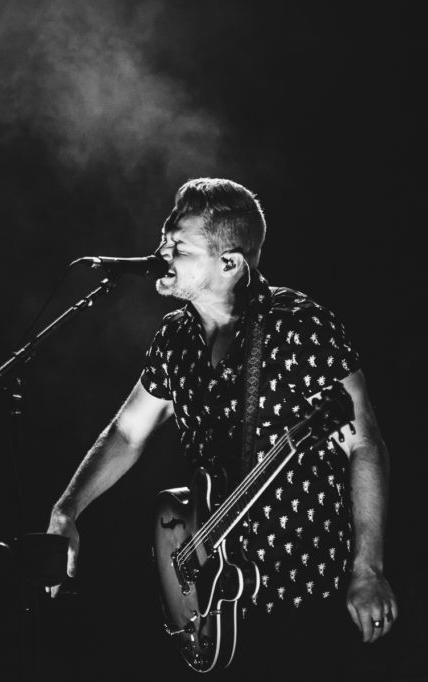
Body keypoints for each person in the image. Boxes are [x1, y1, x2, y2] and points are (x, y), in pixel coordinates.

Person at [45, 178, 396, 679]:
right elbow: (126, 433)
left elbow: (366, 444)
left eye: (179, 247)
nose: (160, 253)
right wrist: (67, 510)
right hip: (214, 598)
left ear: (229, 264)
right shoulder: (174, 337)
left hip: (302, 592)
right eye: (164, 240)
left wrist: (369, 568)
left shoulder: (299, 327)